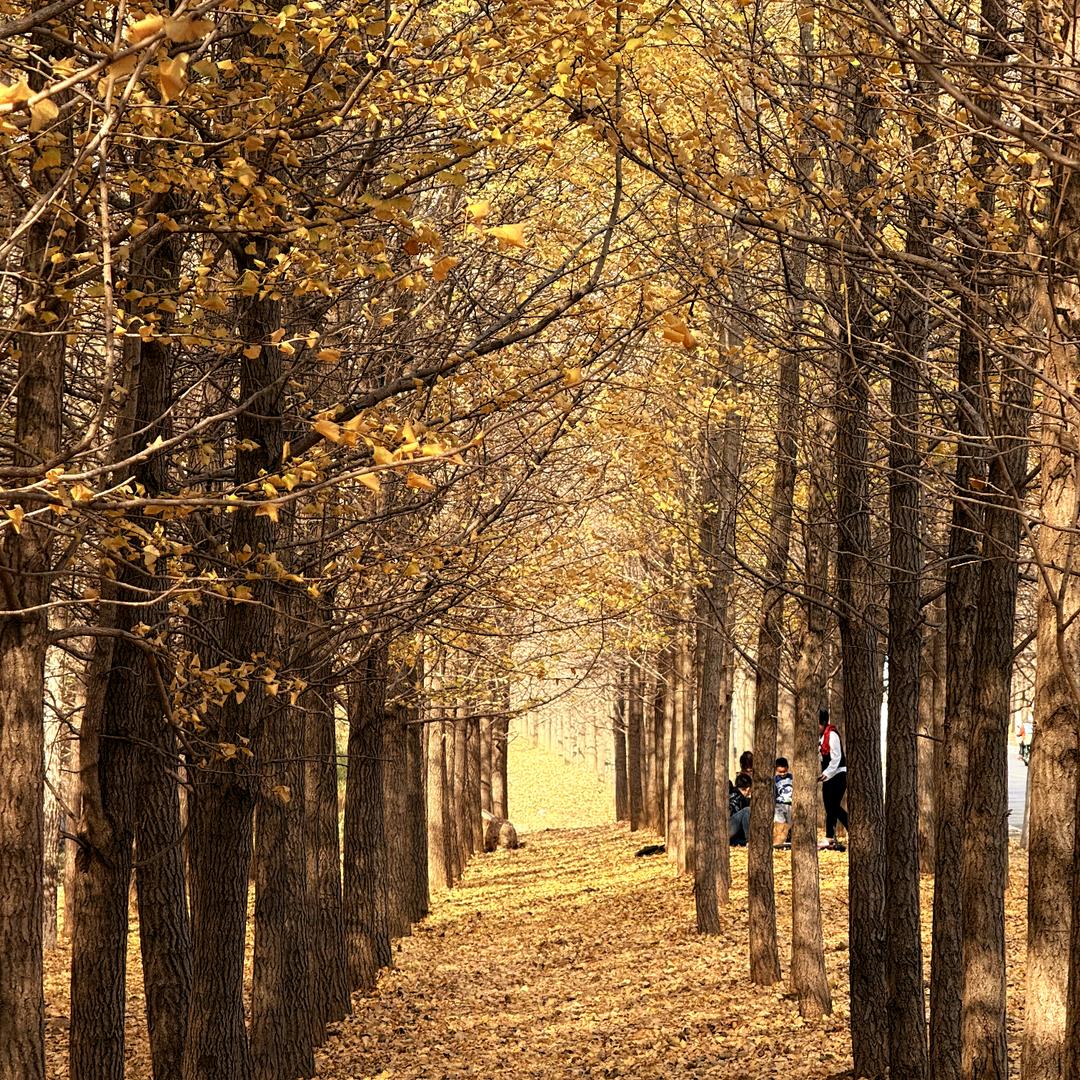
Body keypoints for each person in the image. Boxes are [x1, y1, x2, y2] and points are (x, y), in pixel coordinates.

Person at [817, 708, 848, 848]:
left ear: (823, 722)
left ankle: (837, 833)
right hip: (828, 776)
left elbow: (837, 758)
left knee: (833, 806)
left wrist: (827, 773)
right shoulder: (821, 737)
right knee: (829, 806)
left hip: (838, 774)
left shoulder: (832, 735)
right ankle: (830, 837)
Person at [773, 757, 793, 847]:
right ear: (776, 770)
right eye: (780, 772)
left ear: (787, 768)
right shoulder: (775, 780)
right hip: (779, 804)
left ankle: (789, 839)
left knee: (790, 823)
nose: (782, 774)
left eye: (784, 772)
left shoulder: (792, 778)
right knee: (780, 822)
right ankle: (779, 841)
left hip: (790, 804)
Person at [729, 772, 752, 846]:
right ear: (748, 789)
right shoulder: (740, 797)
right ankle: (750, 841)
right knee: (747, 810)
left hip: (729, 831)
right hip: (727, 829)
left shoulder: (731, 793)